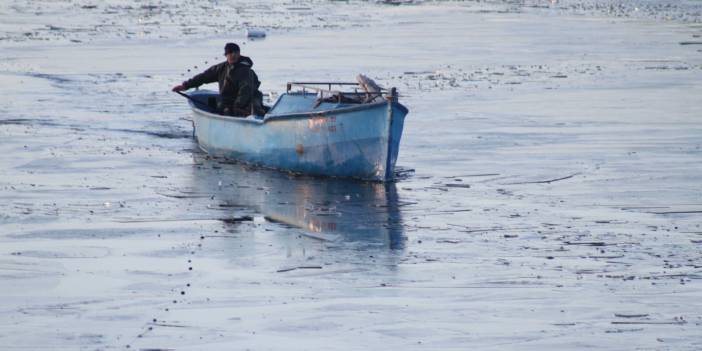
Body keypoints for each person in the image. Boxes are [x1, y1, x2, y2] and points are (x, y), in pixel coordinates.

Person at [172, 43, 265, 116]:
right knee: (223, 108)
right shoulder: (222, 68)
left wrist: (237, 106)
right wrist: (185, 85)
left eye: (236, 52)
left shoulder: (245, 70)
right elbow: (204, 76)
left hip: (248, 102)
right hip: (229, 102)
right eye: (230, 52)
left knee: (253, 109)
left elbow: (246, 90)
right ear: (226, 54)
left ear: (239, 53)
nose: (233, 55)